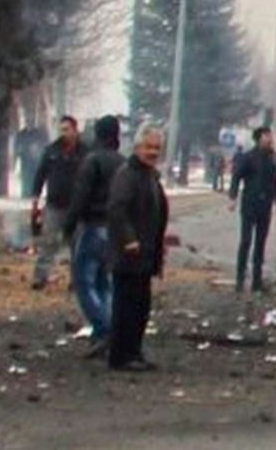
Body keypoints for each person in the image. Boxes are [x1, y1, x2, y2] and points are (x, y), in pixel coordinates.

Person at [63, 115, 125, 358]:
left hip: (93, 227)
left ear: (98, 135)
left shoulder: (93, 161)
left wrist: (69, 225)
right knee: (103, 283)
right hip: (115, 230)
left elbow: (80, 195)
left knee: (83, 281)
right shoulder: (123, 162)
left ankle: (104, 328)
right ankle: (105, 332)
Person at [107, 127, 168, 372]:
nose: (153, 152)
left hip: (144, 254)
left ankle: (134, 351)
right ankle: (121, 355)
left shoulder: (149, 176)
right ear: (136, 148)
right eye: (148, 147)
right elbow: (117, 209)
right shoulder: (127, 175)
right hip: (129, 255)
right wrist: (129, 239)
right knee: (126, 307)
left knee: (141, 306)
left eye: (156, 148)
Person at [30, 115, 88, 291]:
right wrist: (35, 198)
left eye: (67, 129)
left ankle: (76, 280)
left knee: (77, 244)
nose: (64, 133)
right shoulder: (52, 151)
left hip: (77, 206)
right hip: (54, 205)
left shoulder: (85, 153)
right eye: (61, 130)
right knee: (48, 242)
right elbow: (40, 174)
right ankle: (40, 277)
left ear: (75, 130)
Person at [229, 126, 276, 292]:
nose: (270, 139)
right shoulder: (248, 157)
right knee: (246, 242)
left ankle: (257, 281)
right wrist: (233, 197)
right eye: (267, 136)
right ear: (259, 138)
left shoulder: (274, 158)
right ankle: (240, 279)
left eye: (270, 135)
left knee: (261, 243)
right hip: (249, 204)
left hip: (265, 206)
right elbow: (236, 177)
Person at [14, 124, 50, 198]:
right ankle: (25, 192)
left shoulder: (39, 133)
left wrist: (37, 152)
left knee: (34, 176)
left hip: (35, 159)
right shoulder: (21, 134)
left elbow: (43, 145)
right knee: (25, 176)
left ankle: (32, 193)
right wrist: (20, 152)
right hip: (25, 159)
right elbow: (17, 146)